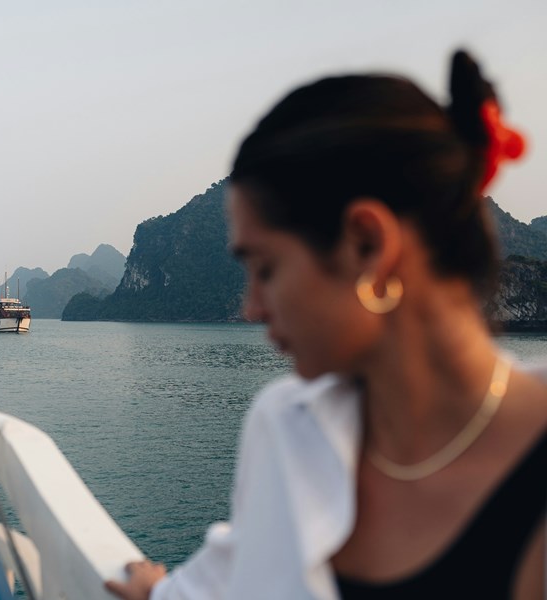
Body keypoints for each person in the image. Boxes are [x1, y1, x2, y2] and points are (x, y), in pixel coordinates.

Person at [105, 49, 544, 599]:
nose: (251, 308)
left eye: (266, 269)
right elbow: (230, 576)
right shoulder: (287, 426)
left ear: (367, 244)